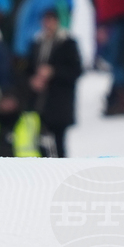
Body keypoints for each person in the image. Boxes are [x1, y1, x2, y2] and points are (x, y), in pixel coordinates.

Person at [24, 9, 82, 157]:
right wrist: (33, 80)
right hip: (39, 102)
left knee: (59, 143)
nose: (48, 24)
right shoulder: (37, 42)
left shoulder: (67, 43)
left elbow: (76, 70)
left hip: (59, 102)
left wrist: (53, 72)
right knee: (38, 141)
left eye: (51, 20)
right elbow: (27, 68)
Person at [0, 92, 41, 158]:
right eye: (4, 102)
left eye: (10, 102)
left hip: (26, 165)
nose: (7, 106)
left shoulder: (30, 121)